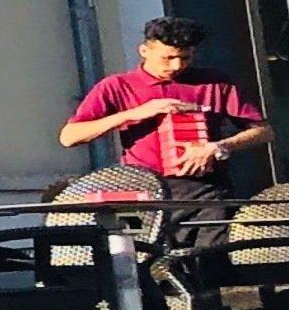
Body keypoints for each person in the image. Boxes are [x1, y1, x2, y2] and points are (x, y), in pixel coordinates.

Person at [64, 15, 275, 251]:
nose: (176, 66)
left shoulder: (215, 82)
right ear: (144, 50)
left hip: (205, 192)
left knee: (210, 264)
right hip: (138, 190)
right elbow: (69, 136)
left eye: (185, 58)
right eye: (168, 58)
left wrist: (218, 146)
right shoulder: (116, 86)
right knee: (135, 261)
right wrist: (135, 113)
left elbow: (263, 131)